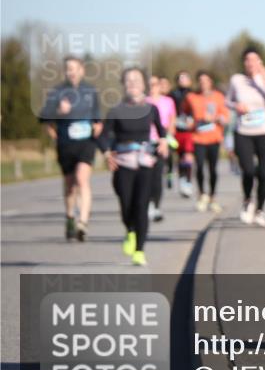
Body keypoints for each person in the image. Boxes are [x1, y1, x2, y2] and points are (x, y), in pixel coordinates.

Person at [98, 67, 169, 266]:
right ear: (123, 85)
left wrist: (163, 142)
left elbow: (162, 131)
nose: (133, 84)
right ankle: (129, 230)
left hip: (145, 163)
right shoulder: (116, 110)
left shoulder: (151, 109)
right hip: (122, 164)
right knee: (126, 205)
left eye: (137, 80)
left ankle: (139, 250)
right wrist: (106, 153)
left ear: (144, 85)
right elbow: (103, 137)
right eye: (129, 81)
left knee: (141, 206)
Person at [38, 56, 102, 241]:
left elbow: (98, 118)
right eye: (68, 69)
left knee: (82, 179)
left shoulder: (90, 91)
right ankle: (70, 217)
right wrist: (58, 112)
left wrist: (97, 127)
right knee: (70, 186)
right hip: (66, 143)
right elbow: (43, 117)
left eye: (74, 68)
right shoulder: (57, 92)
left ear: (82, 70)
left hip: (86, 143)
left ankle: (83, 222)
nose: (71, 72)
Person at [226, 47, 265, 227]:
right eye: (247, 60)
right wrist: (236, 106)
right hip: (243, 131)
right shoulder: (237, 80)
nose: (251, 64)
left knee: (263, 173)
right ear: (244, 63)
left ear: (260, 62)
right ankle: (247, 200)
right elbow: (227, 101)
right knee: (248, 170)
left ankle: (261, 210)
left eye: (254, 60)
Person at [183, 71, 228, 214]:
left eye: (206, 80)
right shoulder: (191, 97)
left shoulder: (218, 97)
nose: (203, 83)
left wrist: (217, 118)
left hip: (214, 137)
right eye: (200, 80)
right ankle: (202, 195)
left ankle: (213, 197)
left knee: (213, 169)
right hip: (198, 137)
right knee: (200, 166)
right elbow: (184, 113)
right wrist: (189, 120)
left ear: (211, 82)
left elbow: (225, 116)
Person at [146, 74, 177, 223]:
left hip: (161, 142)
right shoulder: (143, 102)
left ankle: (156, 206)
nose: (152, 88)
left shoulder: (168, 101)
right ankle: (147, 204)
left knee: (157, 176)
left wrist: (168, 138)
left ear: (159, 86)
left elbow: (172, 119)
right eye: (149, 84)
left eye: (154, 84)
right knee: (146, 176)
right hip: (145, 143)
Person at [169, 71, 196, 197]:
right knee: (180, 157)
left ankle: (188, 182)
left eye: (186, 78)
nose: (183, 80)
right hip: (177, 130)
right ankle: (181, 179)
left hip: (189, 130)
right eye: (181, 78)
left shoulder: (194, 93)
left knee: (188, 156)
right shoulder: (172, 94)